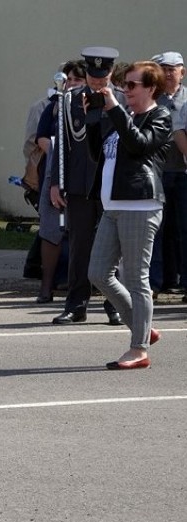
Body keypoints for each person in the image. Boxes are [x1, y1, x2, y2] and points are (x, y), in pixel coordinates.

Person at [87, 61, 171, 370]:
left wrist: (115, 110)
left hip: (140, 205)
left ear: (151, 88)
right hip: (113, 206)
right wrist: (94, 114)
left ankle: (139, 348)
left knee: (136, 278)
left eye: (133, 85)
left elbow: (140, 147)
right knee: (98, 273)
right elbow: (98, 153)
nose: (126, 90)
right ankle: (142, 325)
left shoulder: (160, 116)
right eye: (124, 85)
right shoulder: (124, 116)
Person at [50, 47, 123, 325]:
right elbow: (62, 145)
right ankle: (76, 305)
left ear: (111, 73)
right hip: (81, 183)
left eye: (102, 75)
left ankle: (115, 304)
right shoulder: (70, 99)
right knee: (80, 245)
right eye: (92, 75)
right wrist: (57, 182)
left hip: (112, 184)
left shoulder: (123, 100)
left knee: (113, 247)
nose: (96, 81)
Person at [33, 61, 87, 303]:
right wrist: (59, 151)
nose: (73, 84)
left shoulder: (94, 106)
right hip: (55, 174)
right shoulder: (54, 106)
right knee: (51, 229)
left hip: (85, 174)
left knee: (86, 231)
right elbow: (41, 137)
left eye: (78, 79)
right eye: (69, 80)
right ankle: (47, 287)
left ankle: (86, 285)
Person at [148, 52, 187, 297]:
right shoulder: (153, 98)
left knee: (183, 228)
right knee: (158, 229)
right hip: (159, 172)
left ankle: (184, 280)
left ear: (182, 71)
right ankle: (157, 280)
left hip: (183, 172)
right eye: (164, 68)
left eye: (173, 68)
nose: (169, 72)